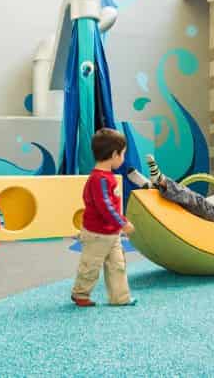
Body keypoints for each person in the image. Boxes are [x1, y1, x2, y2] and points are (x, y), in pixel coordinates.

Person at [71, 128, 136, 307]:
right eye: (123, 154)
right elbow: (106, 207)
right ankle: (80, 294)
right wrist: (123, 222)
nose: (123, 158)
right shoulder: (100, 179)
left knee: (118, 265)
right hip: (97, 234)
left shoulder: (106, 177)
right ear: (114, 154)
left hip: (111, 233)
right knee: (90, 266)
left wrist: (118, 226)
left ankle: (120, 297)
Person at [128, 155, 214, 229]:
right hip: (206, 209)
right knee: (180, 198)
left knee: (190, 196)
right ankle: (150, 186)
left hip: (213, 213)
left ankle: (159, 180)